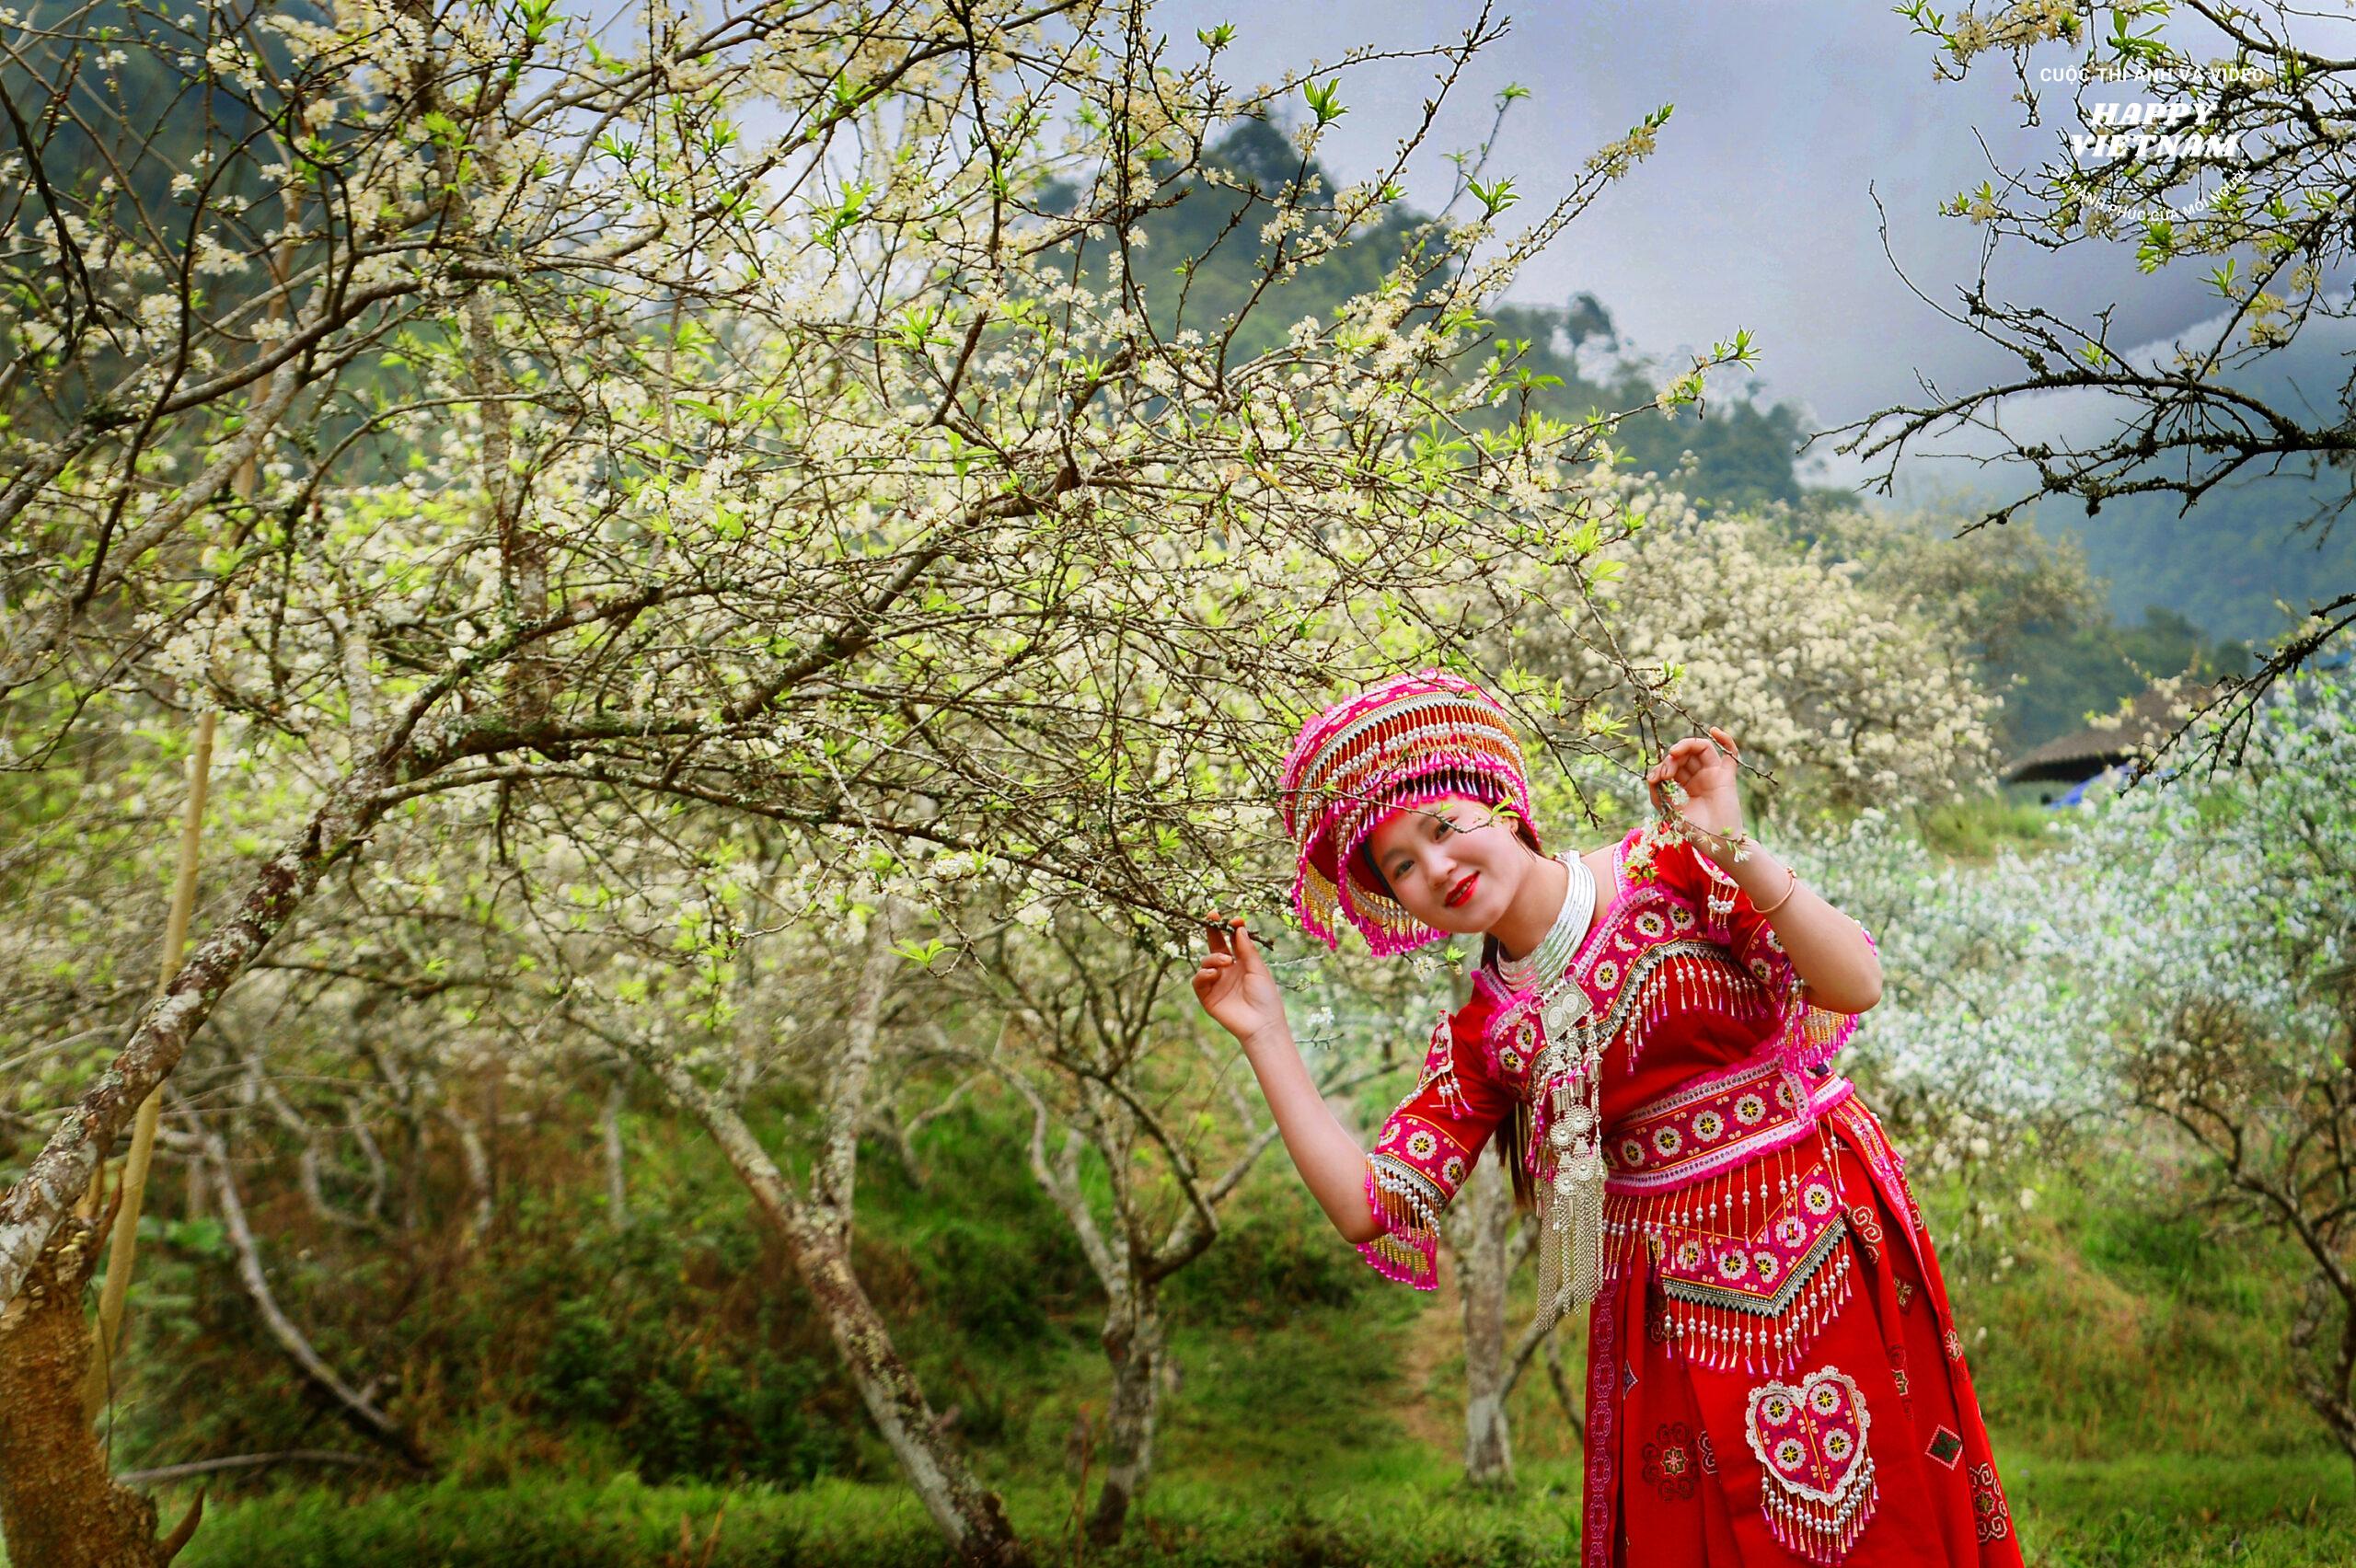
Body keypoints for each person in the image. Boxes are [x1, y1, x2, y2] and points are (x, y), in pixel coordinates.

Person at [1192, 667, 2022, 1568]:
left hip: (1816, 1229)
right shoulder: (1482, 1033)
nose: (1434, 867)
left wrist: (1734, 842)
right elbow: (1373, 1204)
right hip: (1665, 1312)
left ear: (1502, 806)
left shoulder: (1668, 865)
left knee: (1882, 1516)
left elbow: (1852, 983)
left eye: (1441, 828)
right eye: (1401, 864)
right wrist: (1266, 1035)